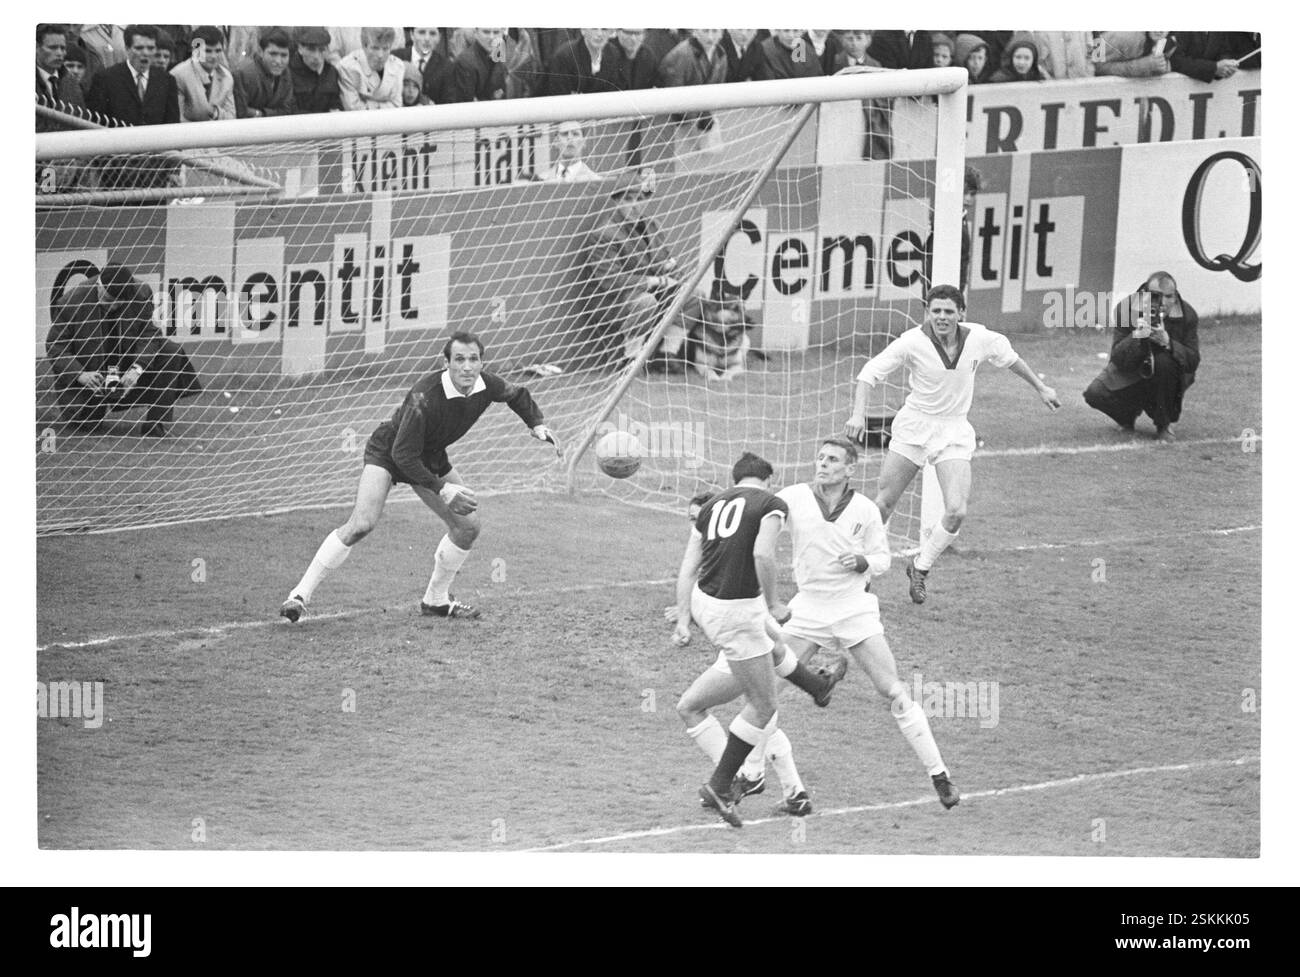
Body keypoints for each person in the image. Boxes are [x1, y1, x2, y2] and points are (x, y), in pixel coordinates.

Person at [732, 437, 960, 808]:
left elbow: (883, 559)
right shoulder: (792, 498)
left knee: (892, 691)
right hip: (807, 610)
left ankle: (940, 775)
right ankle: (753, 773)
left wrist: (863, 562)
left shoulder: (866, 510)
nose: (822, 464)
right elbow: (760, 517)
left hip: (855, 609)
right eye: (820, 457)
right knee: (764, 693)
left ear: (850, 469)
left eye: (832, 459)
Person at [279, 332, 560, 624]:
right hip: (390, 451)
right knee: (362, 524)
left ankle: (435, 601)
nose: (467, 367)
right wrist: (442, 489)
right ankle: (299, 596)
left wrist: (537, 425)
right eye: (459, 359)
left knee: (467, 527)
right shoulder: (423, 397)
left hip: (430, 456)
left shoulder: (486, 384)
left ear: (481, 362)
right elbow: (403, 455)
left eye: (473, 359)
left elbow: (517, 395)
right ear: (446, 363)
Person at [844, 284, 1061, 603]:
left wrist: (1041, 388)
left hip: (954, 431)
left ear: (962, 313)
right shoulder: (912, 342)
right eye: (936, 311)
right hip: (914, 427)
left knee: (957, 510)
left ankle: (920, 567)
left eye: (948, 311)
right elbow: (868, 374)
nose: (942, 317)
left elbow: (1011, 359)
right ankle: (861, 572)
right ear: (927, 313)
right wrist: (858, 415)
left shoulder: (981, 338)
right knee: (884, 504)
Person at [671, 488, 848, 817]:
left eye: (699, 519)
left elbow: (767, 634)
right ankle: (793, 791)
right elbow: (775, 642)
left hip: (736, 647)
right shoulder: (731, 566)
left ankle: (735, 778)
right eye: (693, 520)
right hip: (742, 640)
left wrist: (687, 617)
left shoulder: (730, 570)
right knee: (762, 713)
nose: (697, 527)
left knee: (732, 707)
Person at [671, 452, 802, 827]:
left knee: (698, 701)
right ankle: (728, 781)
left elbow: (687, 567)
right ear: (768, 479)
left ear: (735, 479)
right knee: (763, 705)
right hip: (736, 611)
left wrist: (683, 619)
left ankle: (816, 684)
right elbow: (763, 552)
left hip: (704, 605)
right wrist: (775, 602)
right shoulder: (771, 503)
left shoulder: (710, 506)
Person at [46, 263, 202, 438]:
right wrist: (80, 374)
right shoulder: (71, 301)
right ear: (98, 285)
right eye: (106, 300)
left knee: (171, 350)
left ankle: (155, 424)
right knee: (88, 425)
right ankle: (89, 407)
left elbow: (149, 333)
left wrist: (137, 369)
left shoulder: (141, 292)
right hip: (89, 375)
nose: (110, 307)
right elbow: (55, 346)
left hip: (124, 364)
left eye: (116, 303)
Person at [581, 170, 689, 372]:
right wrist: (656, 281)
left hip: (646, 292)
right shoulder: (603, 233)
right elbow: (609, 280)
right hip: (609, 301)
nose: (635, 204)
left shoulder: (651, 225)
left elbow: (666, 261)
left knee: (692, 294)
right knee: (646, 301)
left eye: (639, 198)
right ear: (616, 201)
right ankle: (630, 360)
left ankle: (667, 355)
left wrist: (678, 279)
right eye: (628, 199)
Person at [1083, 272, 1200, 442]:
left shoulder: (1187, 314)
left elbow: (1193, 361)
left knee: (1164, 364)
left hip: (1169, 373)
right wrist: (1136, 336)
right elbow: (1117, 358)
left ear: (1175, 297)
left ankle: (1163, 425)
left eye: (1168, 297)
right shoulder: (1126, 308)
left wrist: (1168, 343)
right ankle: (1127, 416)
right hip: (1133, 367)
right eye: (1155, 297)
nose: (1163, 303)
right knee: (1095, 393)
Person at [86, 25, 180, 126]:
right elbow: (95, 122)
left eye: (151, 48)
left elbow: (172, 124)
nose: (145, 53)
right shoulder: (105, 79)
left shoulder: (167, 81)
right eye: (139, 48)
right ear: (127, 49)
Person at [171, 26, 236, 122]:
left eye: (218, 51)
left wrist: (214, 112)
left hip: (218, 134)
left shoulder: (227, 77)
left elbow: (231, 117)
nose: (214, 56)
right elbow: (177, 119)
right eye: (207, 51)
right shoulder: (178, 75)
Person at [232, 27, 295, 118]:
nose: (278, 61)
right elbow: (241, 112)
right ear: (261, 52)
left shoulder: (285, 73)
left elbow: (287, 110)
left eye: (284, 55)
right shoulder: (243, 74)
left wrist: (261, 114)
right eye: (273, 54)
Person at [337, 27, 404, 111]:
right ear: (364, 46)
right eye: (375, 48)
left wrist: (366, 102)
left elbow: (397, 105)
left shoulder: (398, 66)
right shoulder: (347, 67)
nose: (380, 55)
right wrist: (385, 105)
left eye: (385, 48)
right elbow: (352, 108)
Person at [544, 28, 622, 96]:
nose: (599, 34)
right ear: (583, 30)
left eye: (604, 29)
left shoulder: (613, 54)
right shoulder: (565, 56)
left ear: (611, 32)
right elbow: (558, 98)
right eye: (594, 28)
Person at [289, 27, 342, 114]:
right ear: (300, 49)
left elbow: (336, 102)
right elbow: (290, 110)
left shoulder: (331, 72)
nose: (316, 56)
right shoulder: (289, 73)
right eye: (311, 49)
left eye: (322, 50)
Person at [445, 28, 508, 102]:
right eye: (486, 32)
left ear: (502, 34)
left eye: (496, 32)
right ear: (476, 34)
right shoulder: (465, 63)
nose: (492, 37)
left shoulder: (498, 53)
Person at [395, 27, 452, 105]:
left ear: (439, 37)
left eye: (432, 33)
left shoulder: (447, 67)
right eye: (421, 32)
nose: (427, 39)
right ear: (412, 34)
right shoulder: (395, 58)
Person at [536, 121, 601, 182]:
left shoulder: (595, 181)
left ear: (584, 142)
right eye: (565, 134)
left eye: (575, 134)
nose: (570, 138)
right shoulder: (542, 180)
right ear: (556, 141)